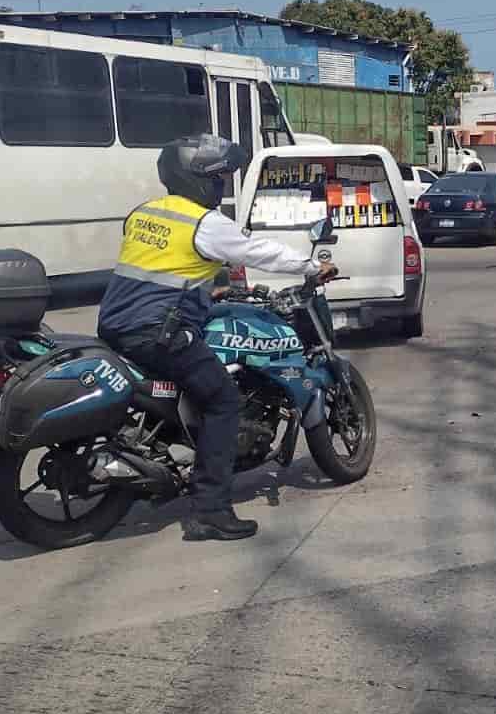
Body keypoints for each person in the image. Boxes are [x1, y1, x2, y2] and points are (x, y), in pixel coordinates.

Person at [97, 134, 334, 543]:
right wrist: (310, 266)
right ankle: (210, 510)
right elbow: (257, 252)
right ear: (198, 180)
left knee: (194, 383)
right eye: (219, 177)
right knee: (222, 399)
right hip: (158, 332)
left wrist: (207, 290)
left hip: (116, 323)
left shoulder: (144, 213)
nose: (222, 185)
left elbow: (160, 266)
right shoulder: (205, 223)